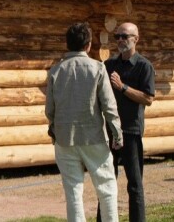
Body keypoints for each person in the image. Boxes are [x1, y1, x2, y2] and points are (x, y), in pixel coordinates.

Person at [48, 22, 123, 222]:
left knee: (73, 192)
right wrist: (117, 133)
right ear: (88, 45)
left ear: (67, 44)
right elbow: (109, 106)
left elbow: (50, 110)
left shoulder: (55, 71)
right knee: (107, 188)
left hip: (65, 139)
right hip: (94, 137)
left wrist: (54, 131)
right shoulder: (98, 68)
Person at [100, 22, 154, 222]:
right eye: (117, 37)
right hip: (109, 132)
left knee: (134, 184)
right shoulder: (109, 65)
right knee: (106, 181)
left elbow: (148, 98)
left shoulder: (143, 66)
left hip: (131, 131)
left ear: (136, 39)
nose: (121, 40)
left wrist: (123, 87)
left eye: (125, 36)